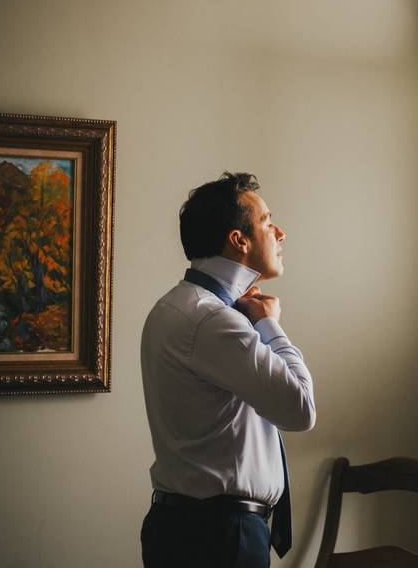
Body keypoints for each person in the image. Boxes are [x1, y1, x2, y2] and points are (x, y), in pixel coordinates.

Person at [140, 172, 316, 568]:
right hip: (219, 539)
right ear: (239, 240)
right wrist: (270, 323)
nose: (280, 233)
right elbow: (301, 408)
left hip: (188, 528)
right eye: (268, 222)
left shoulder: (174, 306)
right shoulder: (213, 321)